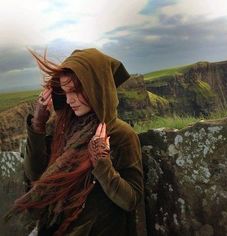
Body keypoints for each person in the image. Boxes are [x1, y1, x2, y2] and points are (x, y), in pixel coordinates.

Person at [5, 48, 144, 236]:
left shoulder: (121, 135)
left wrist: (102, 164)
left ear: (94, 87)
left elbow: (131, 200)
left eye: (75, 91)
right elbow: (34, 173)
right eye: (65, 92)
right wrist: (37, 126)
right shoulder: (63, 128)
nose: (69, 100)